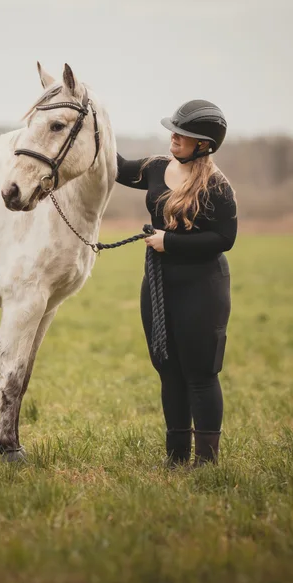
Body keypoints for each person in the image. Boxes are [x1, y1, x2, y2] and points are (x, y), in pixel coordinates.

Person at [115, 100, 237, 467]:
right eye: (173, 130)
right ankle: (176, 457)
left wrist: (170, 242)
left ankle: (206, 461)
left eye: (182, 134)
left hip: (202, 288)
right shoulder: (155, 169)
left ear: (204, 143)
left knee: (199, 373)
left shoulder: (218, 187)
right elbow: (117, 168)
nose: (173, 137)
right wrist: (94, 126)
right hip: (158, 284)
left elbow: (223, 239)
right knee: (168, 370)